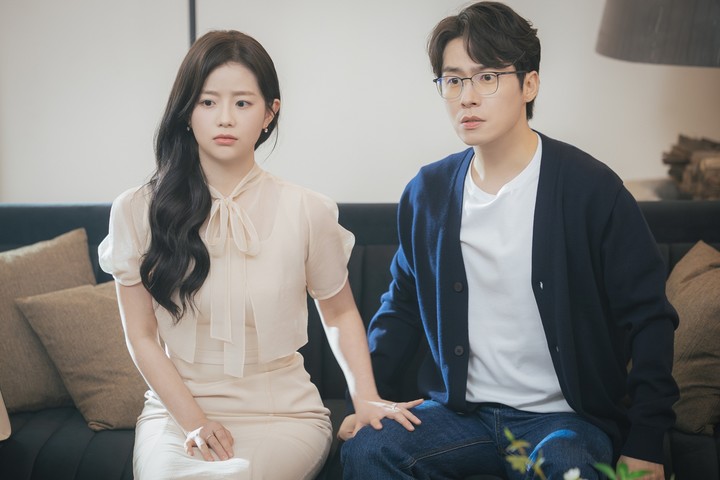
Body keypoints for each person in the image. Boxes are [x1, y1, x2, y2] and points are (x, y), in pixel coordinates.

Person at [339, 3, 678, 480]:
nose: (467, 98)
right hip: (460, 416)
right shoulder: (427, 193)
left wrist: (646, 441)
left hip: (564, 421)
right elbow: (401, 310)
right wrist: (368, 400)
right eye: (453, 80)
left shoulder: (591, 190)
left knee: (568, 466)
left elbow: (649, 319)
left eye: (487, 77)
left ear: (529, 84)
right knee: (369, 450)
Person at [98, 30, 420, 480]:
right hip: (176, 416)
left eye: (243, 103)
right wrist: (194, 422)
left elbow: (340, 312)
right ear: (186, 111)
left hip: (283, 415)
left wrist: (365, 399)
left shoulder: (307, 209)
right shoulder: (136, 210)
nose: (225, 118)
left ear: (270, 113)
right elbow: (142, 336)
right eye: (208, 102)